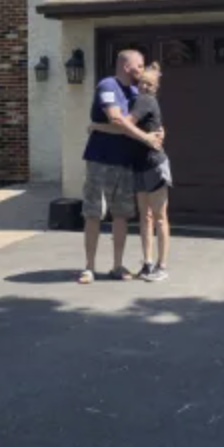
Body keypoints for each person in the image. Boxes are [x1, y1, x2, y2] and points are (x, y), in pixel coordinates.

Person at [78, 50, 161, 285]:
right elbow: (116, 119)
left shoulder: (137, 92)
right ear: (126, 66)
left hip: (125, 162)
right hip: (100, 160)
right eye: (140, 65)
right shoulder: (108, 85)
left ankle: (117, 265)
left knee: (121, 215)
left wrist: (156, 133)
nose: (143, 70)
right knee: (94, 213)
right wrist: (145, 138)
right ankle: (89, 268)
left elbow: (141, 124)